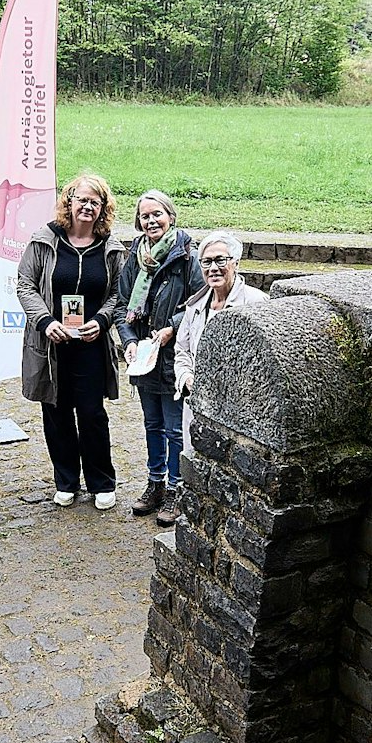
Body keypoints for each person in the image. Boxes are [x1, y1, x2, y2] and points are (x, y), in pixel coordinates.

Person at [16, 174, 127, 510]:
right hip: (52, 345)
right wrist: (45, 321)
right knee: (56, 411)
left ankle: (101, 482)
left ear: (103, 209)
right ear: (69, 201)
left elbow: (117, 294)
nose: (87, 207)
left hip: (91, 345)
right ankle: (66, 480)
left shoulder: (111, 248)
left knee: (92, 414)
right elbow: (25, 285)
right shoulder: (44, 240)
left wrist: (102, 320)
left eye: (96, 202)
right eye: (82, 199)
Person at [113, 190, 196, 527]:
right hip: (145, 357)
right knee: (152, 424)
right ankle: (156, 483)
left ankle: (177, 489)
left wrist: (171, 329)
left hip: (173, 355)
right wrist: (130, 341)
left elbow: (198, 302)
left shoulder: (187, 256)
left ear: (170, 216)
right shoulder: (135, 256)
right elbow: (122, 306)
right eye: (145, 216)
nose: (151, 221)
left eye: (157, 214)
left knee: (175, 429)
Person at [175, 230, 268, 445]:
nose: (213, 268)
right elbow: (182, 351)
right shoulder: (195, 305)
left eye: (220, 260)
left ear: (235, 263)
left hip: (240, 408)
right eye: (206, 262)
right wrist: (186, 378)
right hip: (199, 401)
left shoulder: (257, 303)